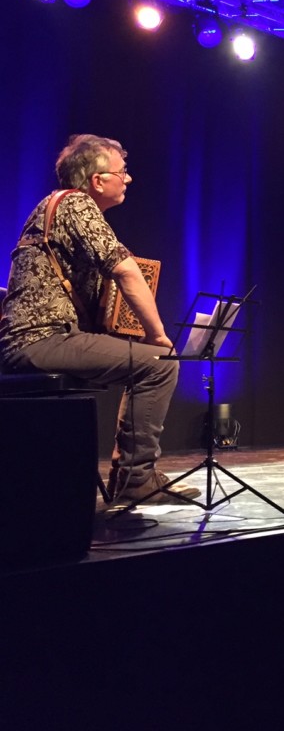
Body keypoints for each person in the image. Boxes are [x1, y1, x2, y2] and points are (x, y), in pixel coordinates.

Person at [0, 134, 200, 505]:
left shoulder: (60, 209)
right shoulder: (76, 203)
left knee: (145, 361)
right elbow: (125, 270)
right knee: (160, 364)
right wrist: (158, 336)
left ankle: (130, 474)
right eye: (122, 172)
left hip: (42, 339)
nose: (128, 178)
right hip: (41, 340)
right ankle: (136, 479)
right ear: (97, 180)